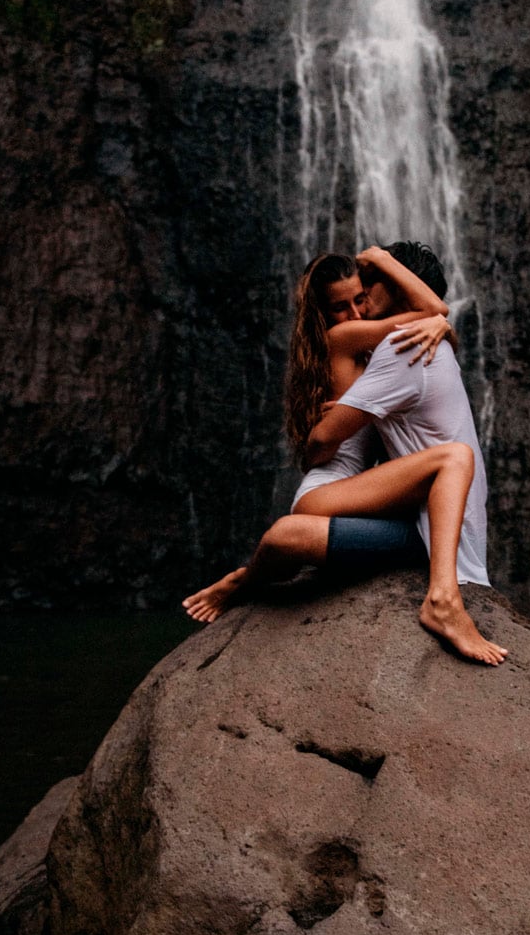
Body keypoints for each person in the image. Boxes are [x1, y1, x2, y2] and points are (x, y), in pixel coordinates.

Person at [183, 244, 506, 665]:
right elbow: (320, 447)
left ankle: (247, 578)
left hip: (421, 521)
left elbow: (432, 313)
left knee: (452, 458)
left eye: (367, 288)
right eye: (344, 302)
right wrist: (346, 418)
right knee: (454, 457)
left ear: (396, 286)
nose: (360, 305)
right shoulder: (394, 344)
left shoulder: (405, 346)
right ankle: (443, 599)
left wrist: (435, 322)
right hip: (373, 502)